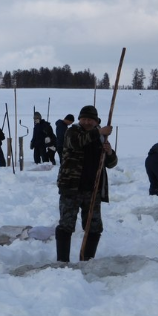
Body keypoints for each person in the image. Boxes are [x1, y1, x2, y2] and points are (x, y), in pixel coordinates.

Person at [55, 105, 117, 262]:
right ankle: (63, 262)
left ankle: (87, 261)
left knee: (94, 227)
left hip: (93, 189)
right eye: (84, 119)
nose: (87, 122)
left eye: (90, 119)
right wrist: (99, 132)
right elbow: (76, 143)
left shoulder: (102, 137)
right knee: (66, 224)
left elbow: (111, 164)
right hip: (71, 187)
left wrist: (109, 152)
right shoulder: (73, 132)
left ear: (96, 121)